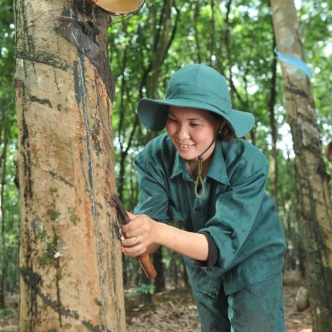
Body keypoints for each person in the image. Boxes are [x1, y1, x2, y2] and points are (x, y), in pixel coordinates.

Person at [120, 64, 286, 331]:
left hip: (255, 255)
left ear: (220, 124)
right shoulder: (154, 159)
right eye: (173, 120)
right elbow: (150, 237)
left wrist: (157, 232)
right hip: (198, 258)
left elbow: (220, 245)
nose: (181, 135)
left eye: (194, 124)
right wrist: (137, 236)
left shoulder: (250, 164)